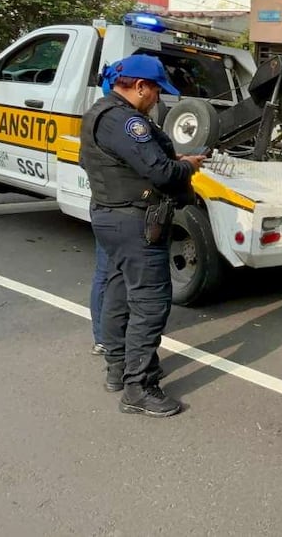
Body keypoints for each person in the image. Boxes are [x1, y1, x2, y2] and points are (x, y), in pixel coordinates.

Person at [79, 54, 207, 418]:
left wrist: (166, 160)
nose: (158, 99)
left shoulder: (100, 112)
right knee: (149, 304)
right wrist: (186, 165)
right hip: (135, 222)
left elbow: (108, 162)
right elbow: (162, 173)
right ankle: (140, 387)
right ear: (140, 87)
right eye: (156, 91)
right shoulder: (127, 121)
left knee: (120, 292)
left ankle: (118, 370)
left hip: (111, 216)